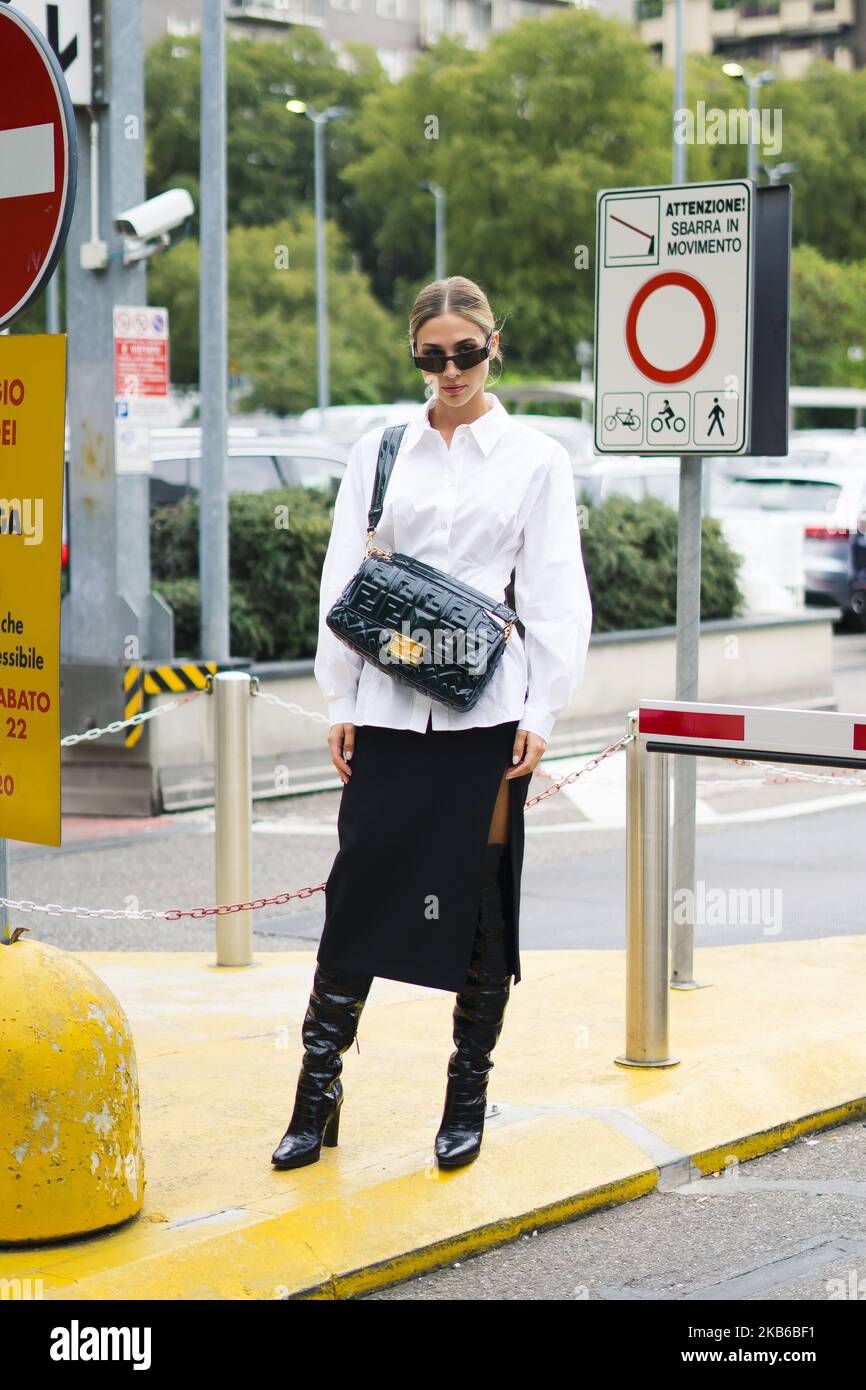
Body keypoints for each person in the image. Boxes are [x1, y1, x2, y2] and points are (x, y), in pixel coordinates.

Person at [271, 275, 593, 1173]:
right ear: (415, 354)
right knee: (359, 891)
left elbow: (558, 590)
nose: (449, 370)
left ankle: (467, 1093)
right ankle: (317, 1089)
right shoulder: (381, 450)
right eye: (431, 354)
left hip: (486, 711)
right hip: (384, 704)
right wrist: (339, 697)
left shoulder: (535, 458)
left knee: (479, 901)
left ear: (495, 346)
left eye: (466, 352)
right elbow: (344, 576)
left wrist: (544, 708)